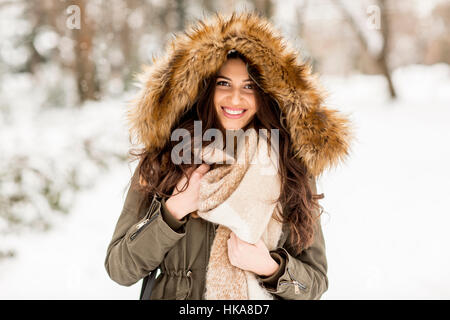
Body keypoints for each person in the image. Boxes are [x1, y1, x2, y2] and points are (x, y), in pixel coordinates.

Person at [104, 11, 352, 300]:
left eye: (249, 86)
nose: (235, 98)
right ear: (205, 89)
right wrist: (174, 210)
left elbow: (315, 283)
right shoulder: (168, 156)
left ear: (266, 94)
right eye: (223, 84)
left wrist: (269, 267)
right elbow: (120, 268)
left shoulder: (289, 165)